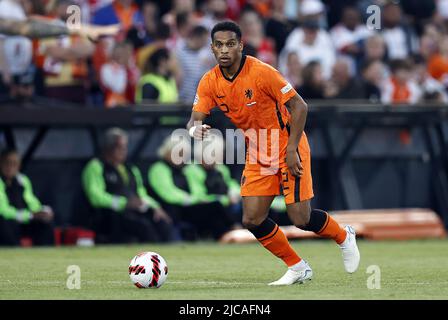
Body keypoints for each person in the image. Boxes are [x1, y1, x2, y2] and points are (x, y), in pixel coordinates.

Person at [187, 21, 360, 285]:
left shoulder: (261, 72)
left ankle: (344, 236)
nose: (224, 50)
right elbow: (194, 118)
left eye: (230, 44)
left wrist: (291, 149)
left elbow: (300, 107)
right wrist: (194, 129)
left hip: (288, 144)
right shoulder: (209, 81)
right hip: (257, 150)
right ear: (212, 48)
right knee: (252, 218)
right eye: (219, 45)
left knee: (301, 218)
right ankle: (298, 267)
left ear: (240, 45)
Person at [81, 128, 175, 244]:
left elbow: (141, 193)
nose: (124, 151)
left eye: (125, 147)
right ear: (108, 148)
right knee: (143, 226)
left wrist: (154, 206)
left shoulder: (131, 168)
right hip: (110, 215)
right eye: (120, 147)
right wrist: (124, 203)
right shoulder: (96, 167)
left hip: (135, 212)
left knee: (162, 222)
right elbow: (96, 197)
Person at [147, 135, 235, 240]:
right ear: (168, 151)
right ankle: (233, 231)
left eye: (184, 154)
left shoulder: (182, 169)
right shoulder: (159, 168)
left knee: (215, 209)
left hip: (188, 206)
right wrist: (194, 199)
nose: (181, 157)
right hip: (174, 209)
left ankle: (229, 235)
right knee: (215, 206)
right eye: (179, 153)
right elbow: (168, 194)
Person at [0, 148, 54, 246]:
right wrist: (29, 215)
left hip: (24, 220)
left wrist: (41, 211)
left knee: (44, 224)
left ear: (19, 165)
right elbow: (3, 210)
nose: (10, 167)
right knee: (4, 223)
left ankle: (46, 255)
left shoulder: (23, 180)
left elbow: (31, 201)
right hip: (8, 222)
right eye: (7, 163)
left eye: (14, 164)